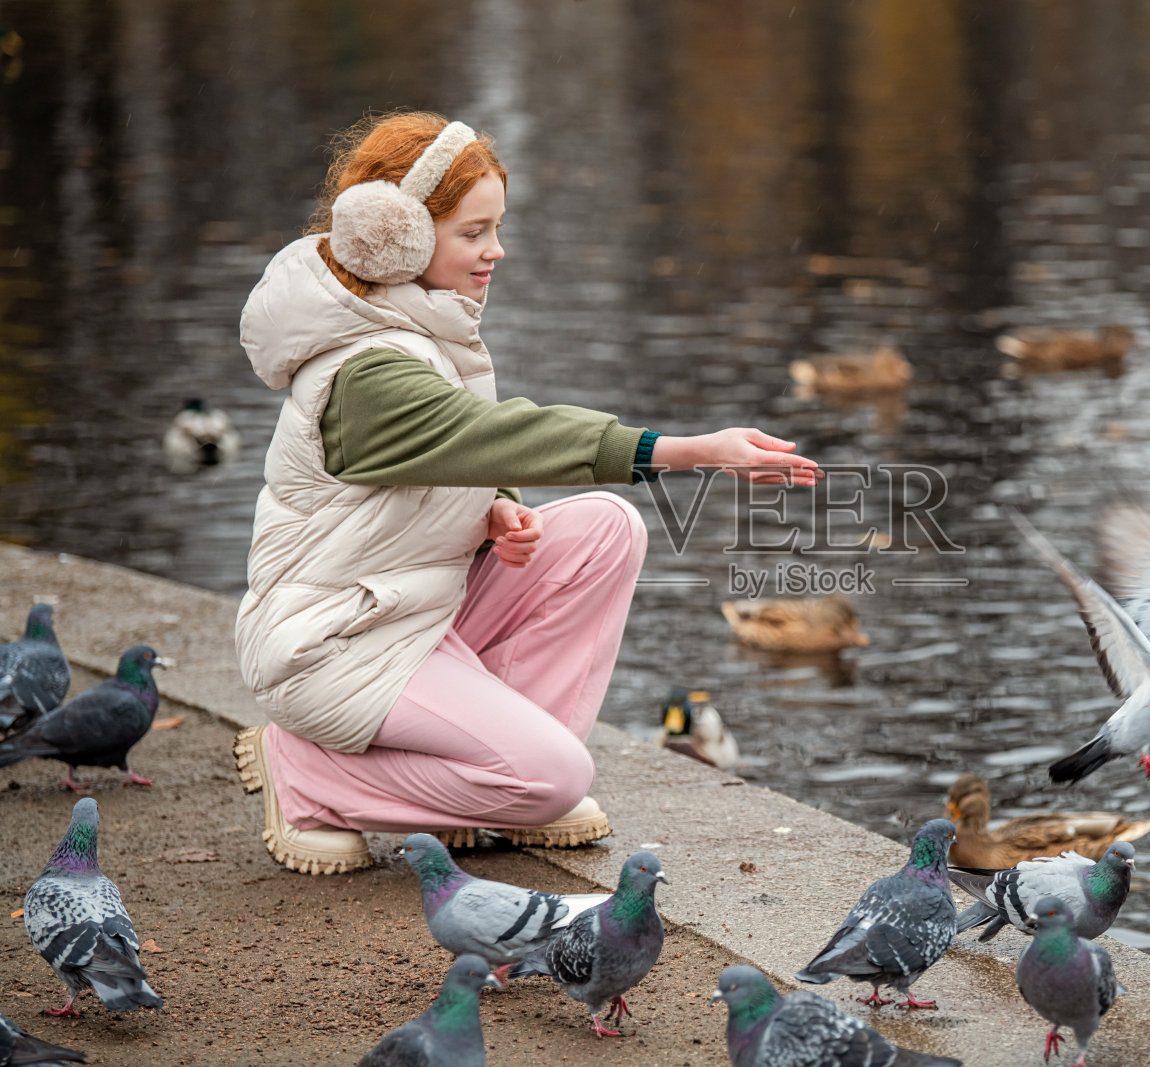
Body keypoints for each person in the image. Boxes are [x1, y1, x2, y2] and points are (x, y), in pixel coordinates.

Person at [231, 112, 818, 875]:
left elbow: (450, 447)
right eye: (474, 232)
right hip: (332, 647)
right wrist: (690, 449)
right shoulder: (367, 370)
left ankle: (490, 792)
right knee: (559, 777)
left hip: (405, 611)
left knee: (607, 527)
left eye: (496, 229)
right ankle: (309, 773)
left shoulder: (417, 326)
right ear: (399, 235)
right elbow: (493, 431)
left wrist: (493, 506)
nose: (495, 251)